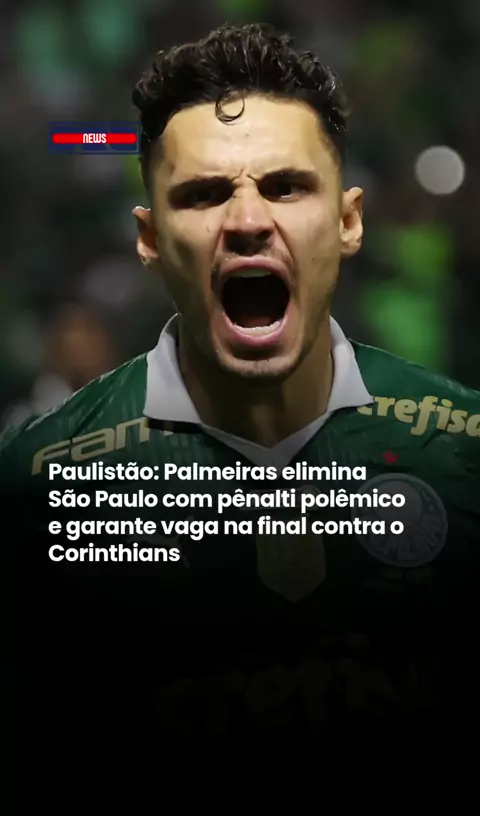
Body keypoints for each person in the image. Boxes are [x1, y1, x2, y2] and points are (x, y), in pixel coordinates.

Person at [3, 23, 480, 740]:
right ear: (150, 239)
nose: (249, 221)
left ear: (348, 221)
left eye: (286, 187)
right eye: (203, 195)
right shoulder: (34, 489)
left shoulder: (467, 454)